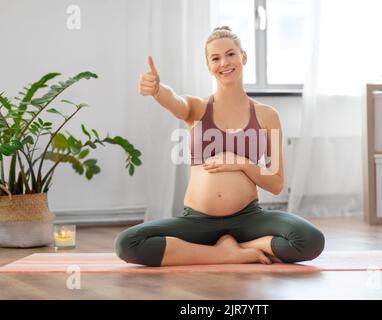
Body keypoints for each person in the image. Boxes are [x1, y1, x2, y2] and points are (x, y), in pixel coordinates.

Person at [114, 26, 325, 266]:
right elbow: (175, 101)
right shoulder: (197, 108)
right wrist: (157, 90)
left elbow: (276, 183)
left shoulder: (268, 116)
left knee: (310, 240)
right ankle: (223, 253)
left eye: (231, 54)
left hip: (248, 219)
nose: (224, 62)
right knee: (128, 243)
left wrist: (242, 163)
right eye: (215, 58)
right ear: (208, 66)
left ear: (243, 56)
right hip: (197, 221)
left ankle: (242, 246)